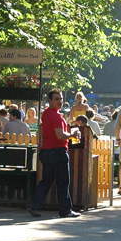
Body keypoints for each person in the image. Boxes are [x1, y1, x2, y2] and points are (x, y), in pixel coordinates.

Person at [28, 89, 81, 218]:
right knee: (63, 182)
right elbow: (60, 135)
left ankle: (34, 205)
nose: (60, 102)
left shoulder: (46, 114)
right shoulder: (56, 116)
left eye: (61, 99)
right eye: (57, 99)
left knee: (46, 181)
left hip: (46, 151)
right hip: (58, 151)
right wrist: (72, 134)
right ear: (50, 100)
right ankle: (65, 210)